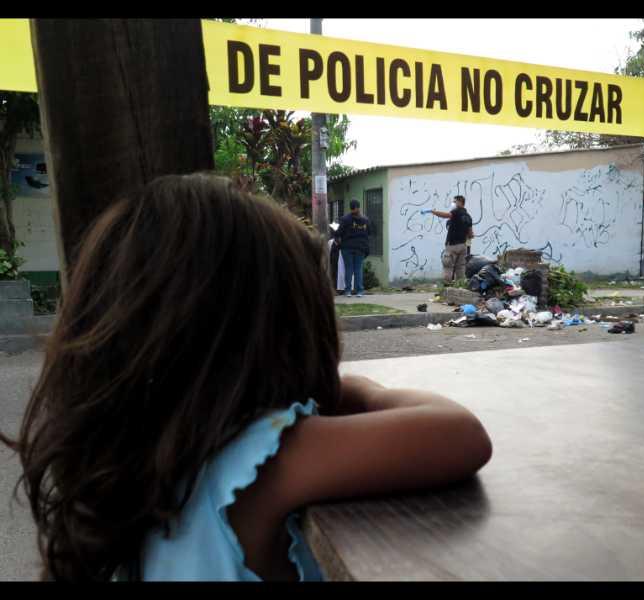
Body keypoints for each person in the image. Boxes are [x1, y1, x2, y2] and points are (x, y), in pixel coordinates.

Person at [0, 174, 492, 582]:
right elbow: (459, 433)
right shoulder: (261, 461)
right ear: (279, 333)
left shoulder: (138, 462)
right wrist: (356, 389)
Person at [421, 194, 473, 283]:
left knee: (448, 266)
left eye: (454, 201)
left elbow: (446, 215)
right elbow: (471, 234)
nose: (453, 203)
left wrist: (434, 212)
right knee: (460, 268)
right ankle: (460, 288)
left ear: (460, 202)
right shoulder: (468, 216)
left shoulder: (456, 212)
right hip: (463, 246)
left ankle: (446, 287)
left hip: (452, 246)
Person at [335, 199, 371, 297]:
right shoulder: (365, 220)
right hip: (360, 248)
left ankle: (348, 291)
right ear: (359, 207)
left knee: (348, 269)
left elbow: (338, 232)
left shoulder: (345, 219)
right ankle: (359, 291)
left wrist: (338, 240)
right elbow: (369, 233)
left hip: (347, 248)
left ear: (350, 207)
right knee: (358, 269)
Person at [327, 222, 346, 293]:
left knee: (339, 272)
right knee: (334, 272)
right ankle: (335, 287)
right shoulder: (330, 242)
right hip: (333, 260)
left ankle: (340, 288)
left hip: (338, 259)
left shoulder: (342, 242)